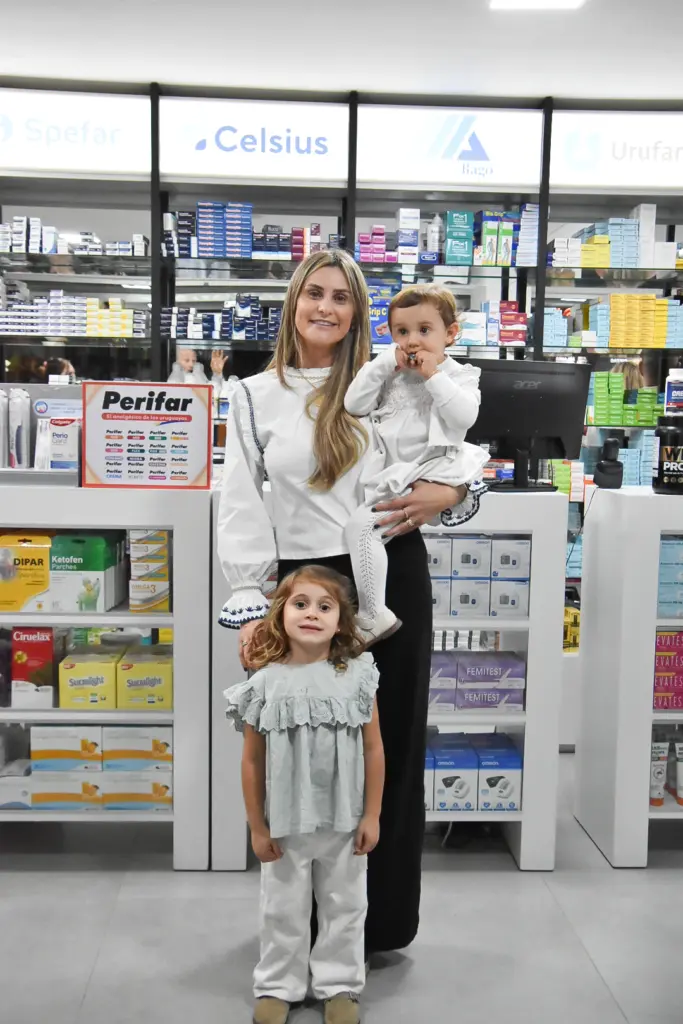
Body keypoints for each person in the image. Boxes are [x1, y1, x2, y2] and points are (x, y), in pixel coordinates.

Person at [217, 249, 473, 961]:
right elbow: (240, 501)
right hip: (301, 589)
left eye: (342, 297)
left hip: (387, 572)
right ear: (294, 303)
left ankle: (378, 925)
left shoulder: (395, 379)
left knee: (389, 745)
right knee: (299, 753)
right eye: (315, 293)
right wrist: (250, 596)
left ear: (359, 312)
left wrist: (453, 493)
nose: (326, 308)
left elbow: (454, 450)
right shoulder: (253, 394)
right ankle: (297, 931)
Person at [224, 565, 384, 1024]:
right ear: (280, 613)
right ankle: (278, 985)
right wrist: (257, 827)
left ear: (341, 621)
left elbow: (374, 748)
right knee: (282, 908)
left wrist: (372, 815)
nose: (312, 613)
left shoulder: (358, 676)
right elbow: (251, 761)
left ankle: (340, 985)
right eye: (300, 603)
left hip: (344, 819)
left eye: (324, 606)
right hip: (284, 823)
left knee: (346, 905)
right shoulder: (263, 682)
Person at [344, 285, 489, 643]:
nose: (412, 341)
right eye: (402, 331)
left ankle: (373, 614)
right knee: (366, 529)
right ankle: (374, 611)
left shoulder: (459, 375)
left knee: (362, 526)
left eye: (424, 330)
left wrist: (434, 376)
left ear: (450, 333)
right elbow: (353, 404)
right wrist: (383, 363)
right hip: (395, 471)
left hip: (430, 467)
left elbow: (463, 417)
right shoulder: (390, 374)